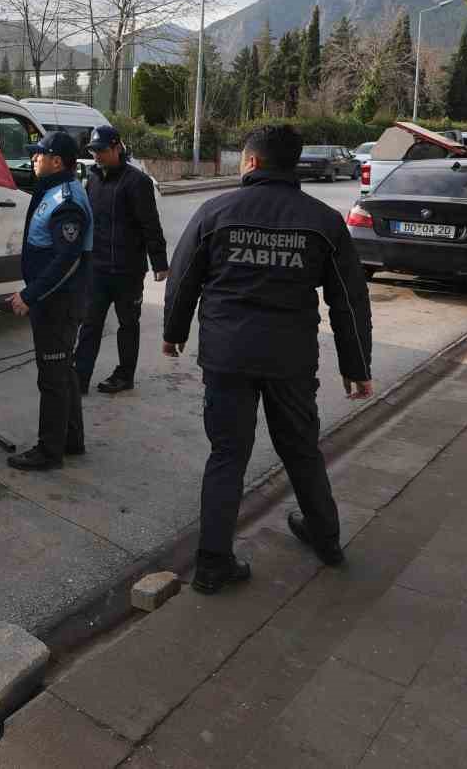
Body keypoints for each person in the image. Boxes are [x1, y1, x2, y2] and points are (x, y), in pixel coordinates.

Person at [162, 124, 374, 594]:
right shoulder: (322, 220)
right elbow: (348, 299)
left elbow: (183, 279)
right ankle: (326, 538)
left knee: (227, 454)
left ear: (253, 162)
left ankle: (213, 563)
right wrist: (356, 366)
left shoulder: (216, 211)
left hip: (227, 356)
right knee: (300, 448)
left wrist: (173, 335)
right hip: (289, 360)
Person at [6, 131, 91, 472]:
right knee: (63, 370)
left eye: (39, 154)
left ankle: (49, 450)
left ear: (57, 161)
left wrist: (30, 294)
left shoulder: (66, 201)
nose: (34, 159)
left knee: (53, 376)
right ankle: (71, 438)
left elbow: (67, 259)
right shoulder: (54, 192)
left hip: (58, 303)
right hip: (55, 300)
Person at [73, 125, 168, 394]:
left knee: (128, 325)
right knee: (90, 323)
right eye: (93, 151)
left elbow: (150, 223)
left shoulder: (136, 182)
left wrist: (159, 262)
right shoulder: (92, 179)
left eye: (102, 151)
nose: (97, 156)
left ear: (117, 148)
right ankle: (79, 377)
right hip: (98, 268)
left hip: (127, 271)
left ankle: (125, 375)